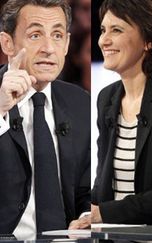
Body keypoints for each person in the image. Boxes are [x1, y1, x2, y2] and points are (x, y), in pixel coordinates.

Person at [0, 0, 90, 237]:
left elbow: (86, 188)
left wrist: (85, 218)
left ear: (68, 43)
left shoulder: (81, 103)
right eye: (35, 35)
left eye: (58, 35)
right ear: (7, 43)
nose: (49, 48)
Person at [91, 0, 152, 225]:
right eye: (103, 30)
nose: (104, 40)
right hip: (113, 235)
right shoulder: (106, 98)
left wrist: (105, 214)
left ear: (149, 40)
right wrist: (87, 215)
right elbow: (102, 177)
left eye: (117, 30)